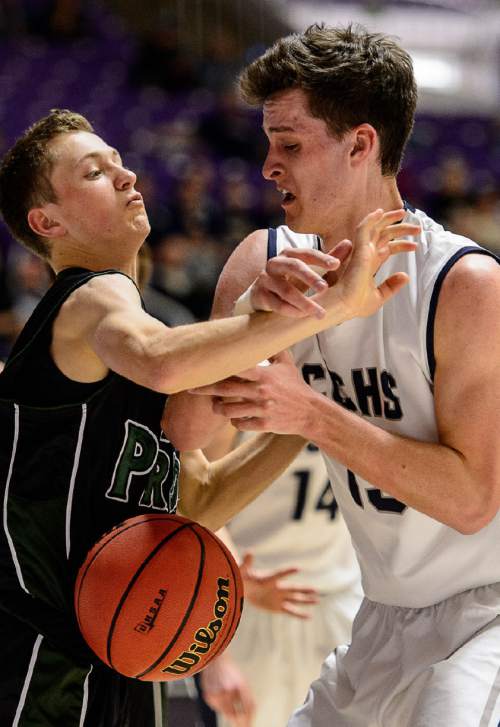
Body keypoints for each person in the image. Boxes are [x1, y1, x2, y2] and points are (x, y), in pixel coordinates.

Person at [0, 109, 413, 726]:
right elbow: (161, 361)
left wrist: (313, 408)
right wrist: (330, 308)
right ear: (48, 222)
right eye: (93, 171)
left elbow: (197, 500)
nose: (124, 174)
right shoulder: (87, 297)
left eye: (118, 160)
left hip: (121, 655)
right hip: (38, 659)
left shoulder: (135, 344)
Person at [166, 24, 500, 727]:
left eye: (290, 143)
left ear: (361, 144)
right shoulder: (264, 262)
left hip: (484, 619)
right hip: (380, 615)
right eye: (267, 143)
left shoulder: (463, 284)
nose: (266, 166)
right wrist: (256, 324)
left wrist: (309, 412)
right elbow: (190, 439)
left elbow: (472, 499)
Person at [199, 437, 362, 727]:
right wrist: (215, 657)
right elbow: (196, 500)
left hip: (343, 597)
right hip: (250, 600)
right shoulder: (235, 399)